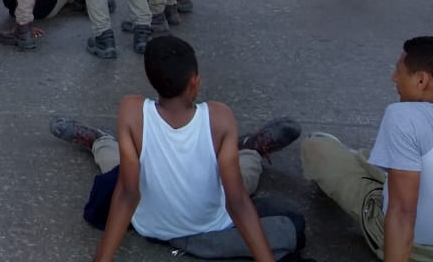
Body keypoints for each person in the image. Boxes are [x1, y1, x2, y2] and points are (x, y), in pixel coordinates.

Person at [51, 35, 302, 262]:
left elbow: (128, 193)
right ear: (194, 81)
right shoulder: (220, 117)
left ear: (152, 80)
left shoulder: (131, 111)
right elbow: (236, 202)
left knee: (122, 166)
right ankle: (251, 149)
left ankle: (99, 141)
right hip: (208, 222)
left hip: (151, 225)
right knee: (246, 178)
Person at [302, 36, 433, 261]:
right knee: (389, 160)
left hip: (419, 249)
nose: (394, 78)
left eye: (399, 71)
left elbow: (402, 214)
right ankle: (371, 160)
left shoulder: (405, 117)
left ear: (422, 80)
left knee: (316, 145)